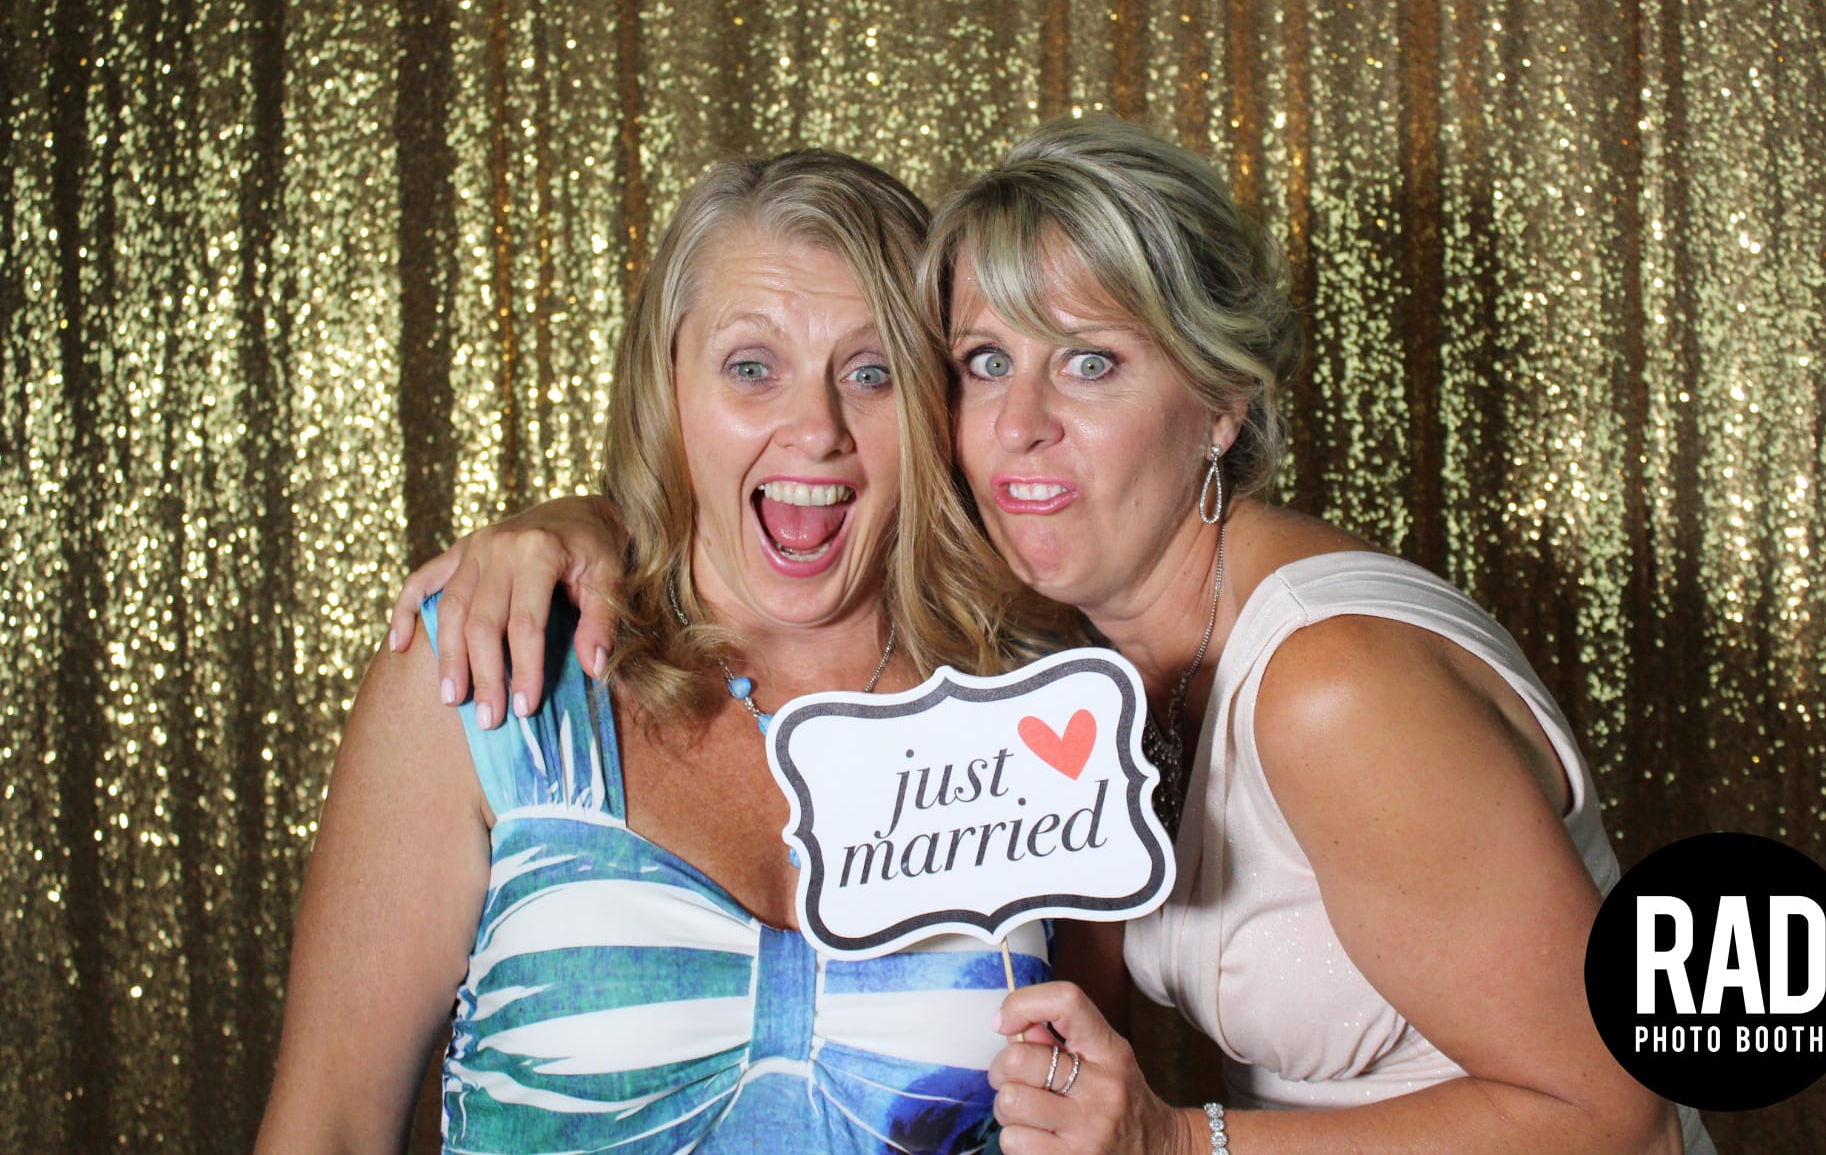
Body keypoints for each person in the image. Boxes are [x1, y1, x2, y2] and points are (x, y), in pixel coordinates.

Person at [389, 118, 1714, 1155]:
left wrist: (1177, 1145)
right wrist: (576, 530)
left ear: (1221, 405)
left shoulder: (1330, 681)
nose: (1019, 423)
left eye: (1089, 361)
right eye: (983, 362)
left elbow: (1621, 1108)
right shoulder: (1064, 667)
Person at [257, 150, 1063, 1155]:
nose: (815, 429)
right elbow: (328, 1127)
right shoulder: (490, 660)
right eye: (751, 366)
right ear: (666, 387)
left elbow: (1093, 1102)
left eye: (872, 372)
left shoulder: (1032, 708)